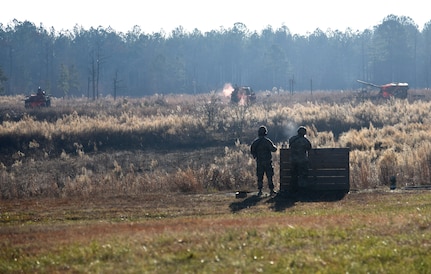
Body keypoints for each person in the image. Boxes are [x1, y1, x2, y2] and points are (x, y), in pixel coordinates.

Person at [250, 125, 277, 197]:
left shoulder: (256, 142)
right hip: (268, 162)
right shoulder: (267, 141)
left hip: (259, 162)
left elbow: (252, 150)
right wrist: (275, 146)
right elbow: (273, 149)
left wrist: (255, 155)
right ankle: (271, 190)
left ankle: (260, 191)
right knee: (270, 176)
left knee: (260, 176)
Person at [288, 126, 312, 193]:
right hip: (302, 161)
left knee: (293, 175)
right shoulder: (305, 141)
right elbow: (309, 148)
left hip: (293, 160)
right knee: (303, 175)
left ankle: (293, 190)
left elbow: (289, 145)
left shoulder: (292, 139)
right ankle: (302, 191)